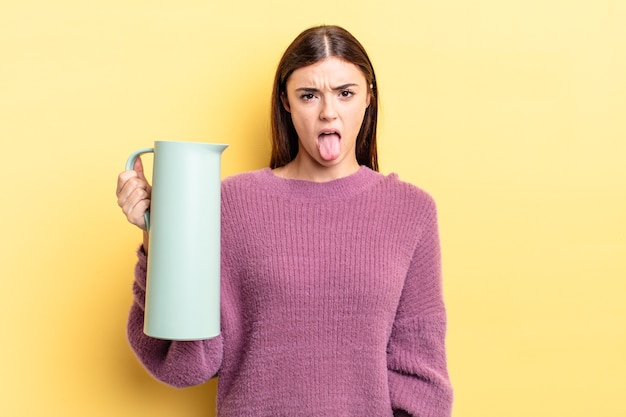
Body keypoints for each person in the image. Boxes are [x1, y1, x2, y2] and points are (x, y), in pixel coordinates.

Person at [116, 25, 453, 417]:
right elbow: (183, 362)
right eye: (309, 95)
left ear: (368, 99)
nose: (329, 111)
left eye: (345, 93)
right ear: (286, 102)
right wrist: (158, 232)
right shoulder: (229, 204)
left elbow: (422, 385)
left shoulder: (411, 211)